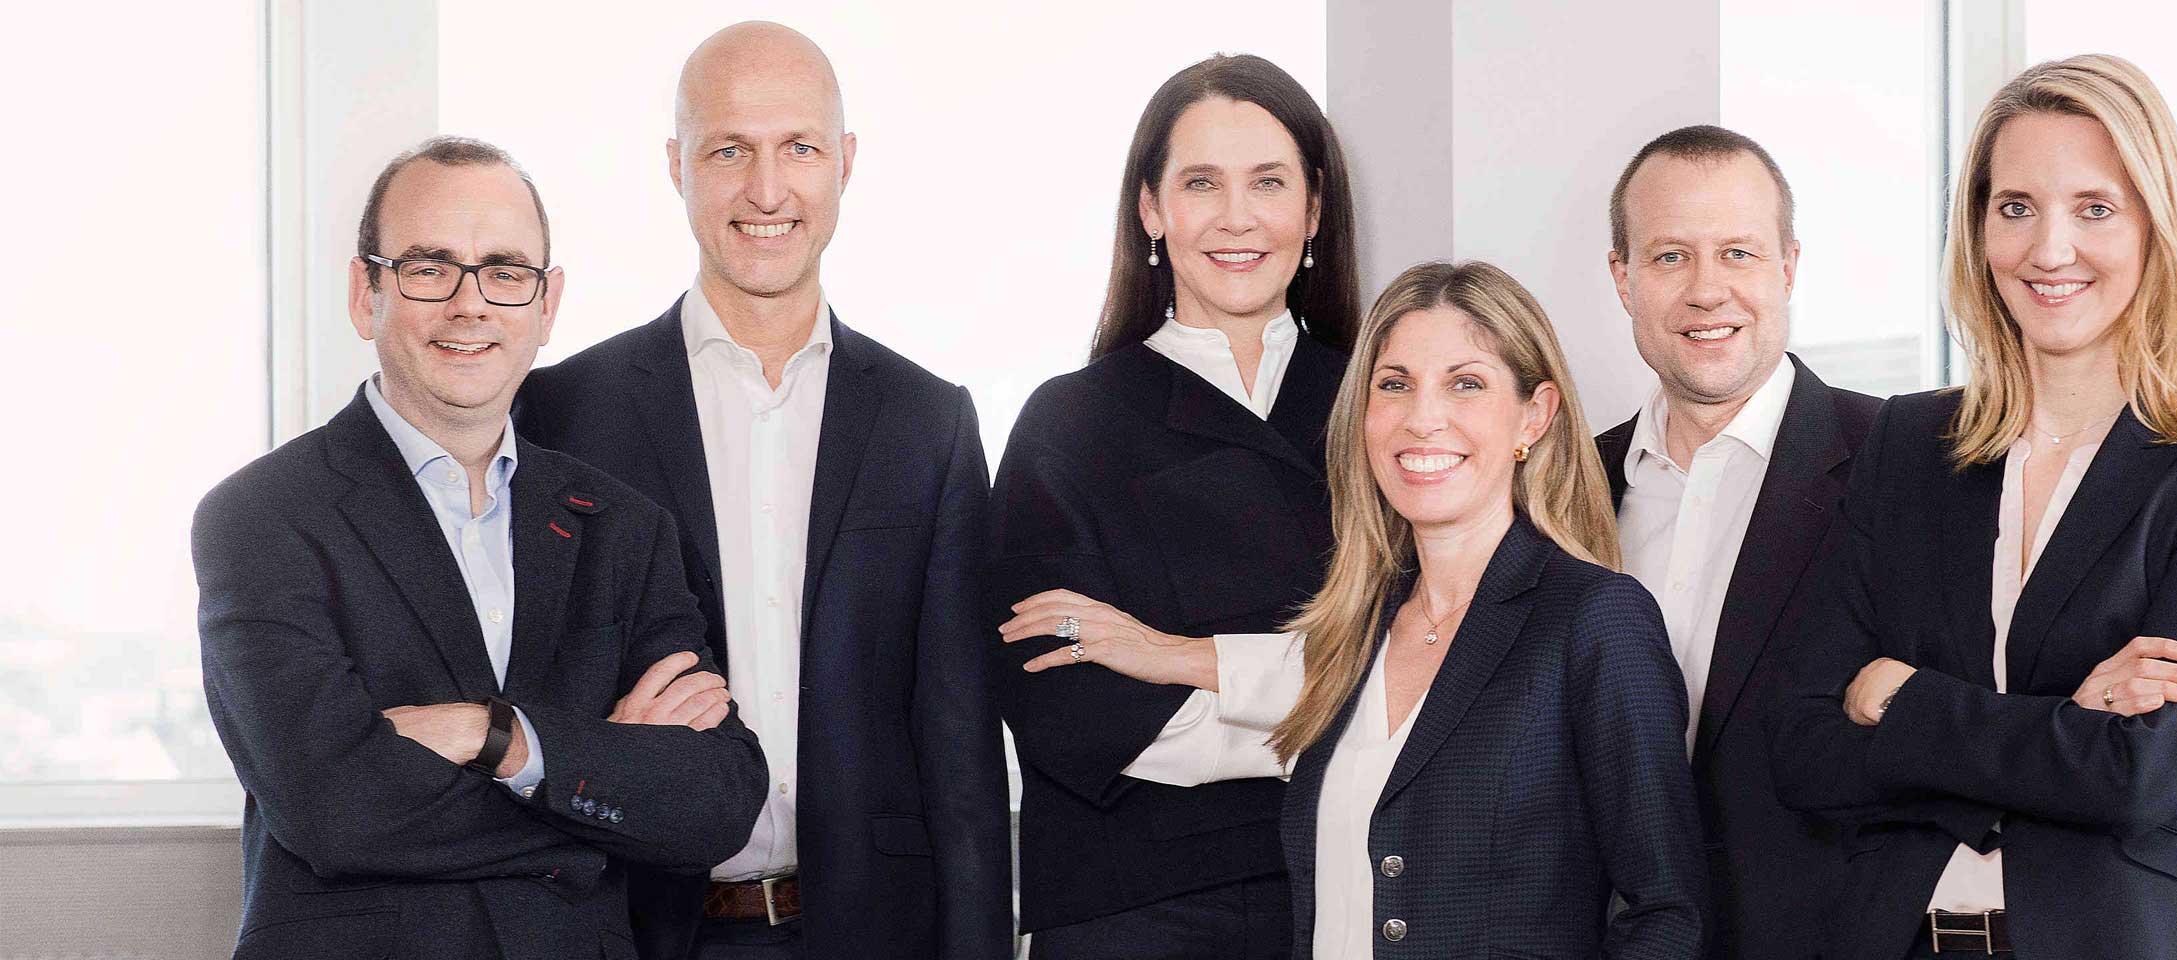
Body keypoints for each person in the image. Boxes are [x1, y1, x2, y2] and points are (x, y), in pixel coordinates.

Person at [1768, 54, 2177, 959]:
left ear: (2154, 226)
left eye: (2094, 208)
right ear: (1978, 229)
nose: (2048, 249)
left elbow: (2143, 772)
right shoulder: (1906, 446)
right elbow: (1804, 749)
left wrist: (1899, 699)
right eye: (2015, 207)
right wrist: (2064, 721)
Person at [1004, 261, 1705, 959]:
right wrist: (1163, 652)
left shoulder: (1596, 620)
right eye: (1394, 385)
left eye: (1466, 384)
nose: (1423, 418)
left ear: (1535, 414)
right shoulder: (1357, 634)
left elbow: (1666, 913)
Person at [194, 136, 769, 958]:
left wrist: (492, 736)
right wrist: (601, 778)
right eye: (430, 268)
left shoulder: (622, 527)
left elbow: (717, 799)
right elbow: (334, 809)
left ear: (547, 303)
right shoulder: (262, 517)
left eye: (504, 271)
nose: (471, 304)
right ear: (367, 293)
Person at [512, 21, 1010, 960]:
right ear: (676, 165)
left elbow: (963, 755)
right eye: (730, 150)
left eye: (801, 148)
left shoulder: (928, 424)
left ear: (846, 163)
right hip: (633, 929)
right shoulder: (564, 412)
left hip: (869, 934)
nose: (768, 190)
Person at [985, 52, 1361, 960]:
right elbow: (1061, 692)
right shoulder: (1070, 422)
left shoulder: (1383, 407)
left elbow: (1434, 664)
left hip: (1354, 884)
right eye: (1201, 183)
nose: (1237, 218)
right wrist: (1332, 720)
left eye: (1268, 183)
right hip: (1133, 907)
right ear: (1151, 209)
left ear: (1313, 211)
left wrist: (1169, 659)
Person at [1590, 124, 1882, 960]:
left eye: (1739, 255)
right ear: (1624, 278)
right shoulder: (1561, 486)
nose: (1706, 291)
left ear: (1788, 266)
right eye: (1670, 257)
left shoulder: (1897, 462)